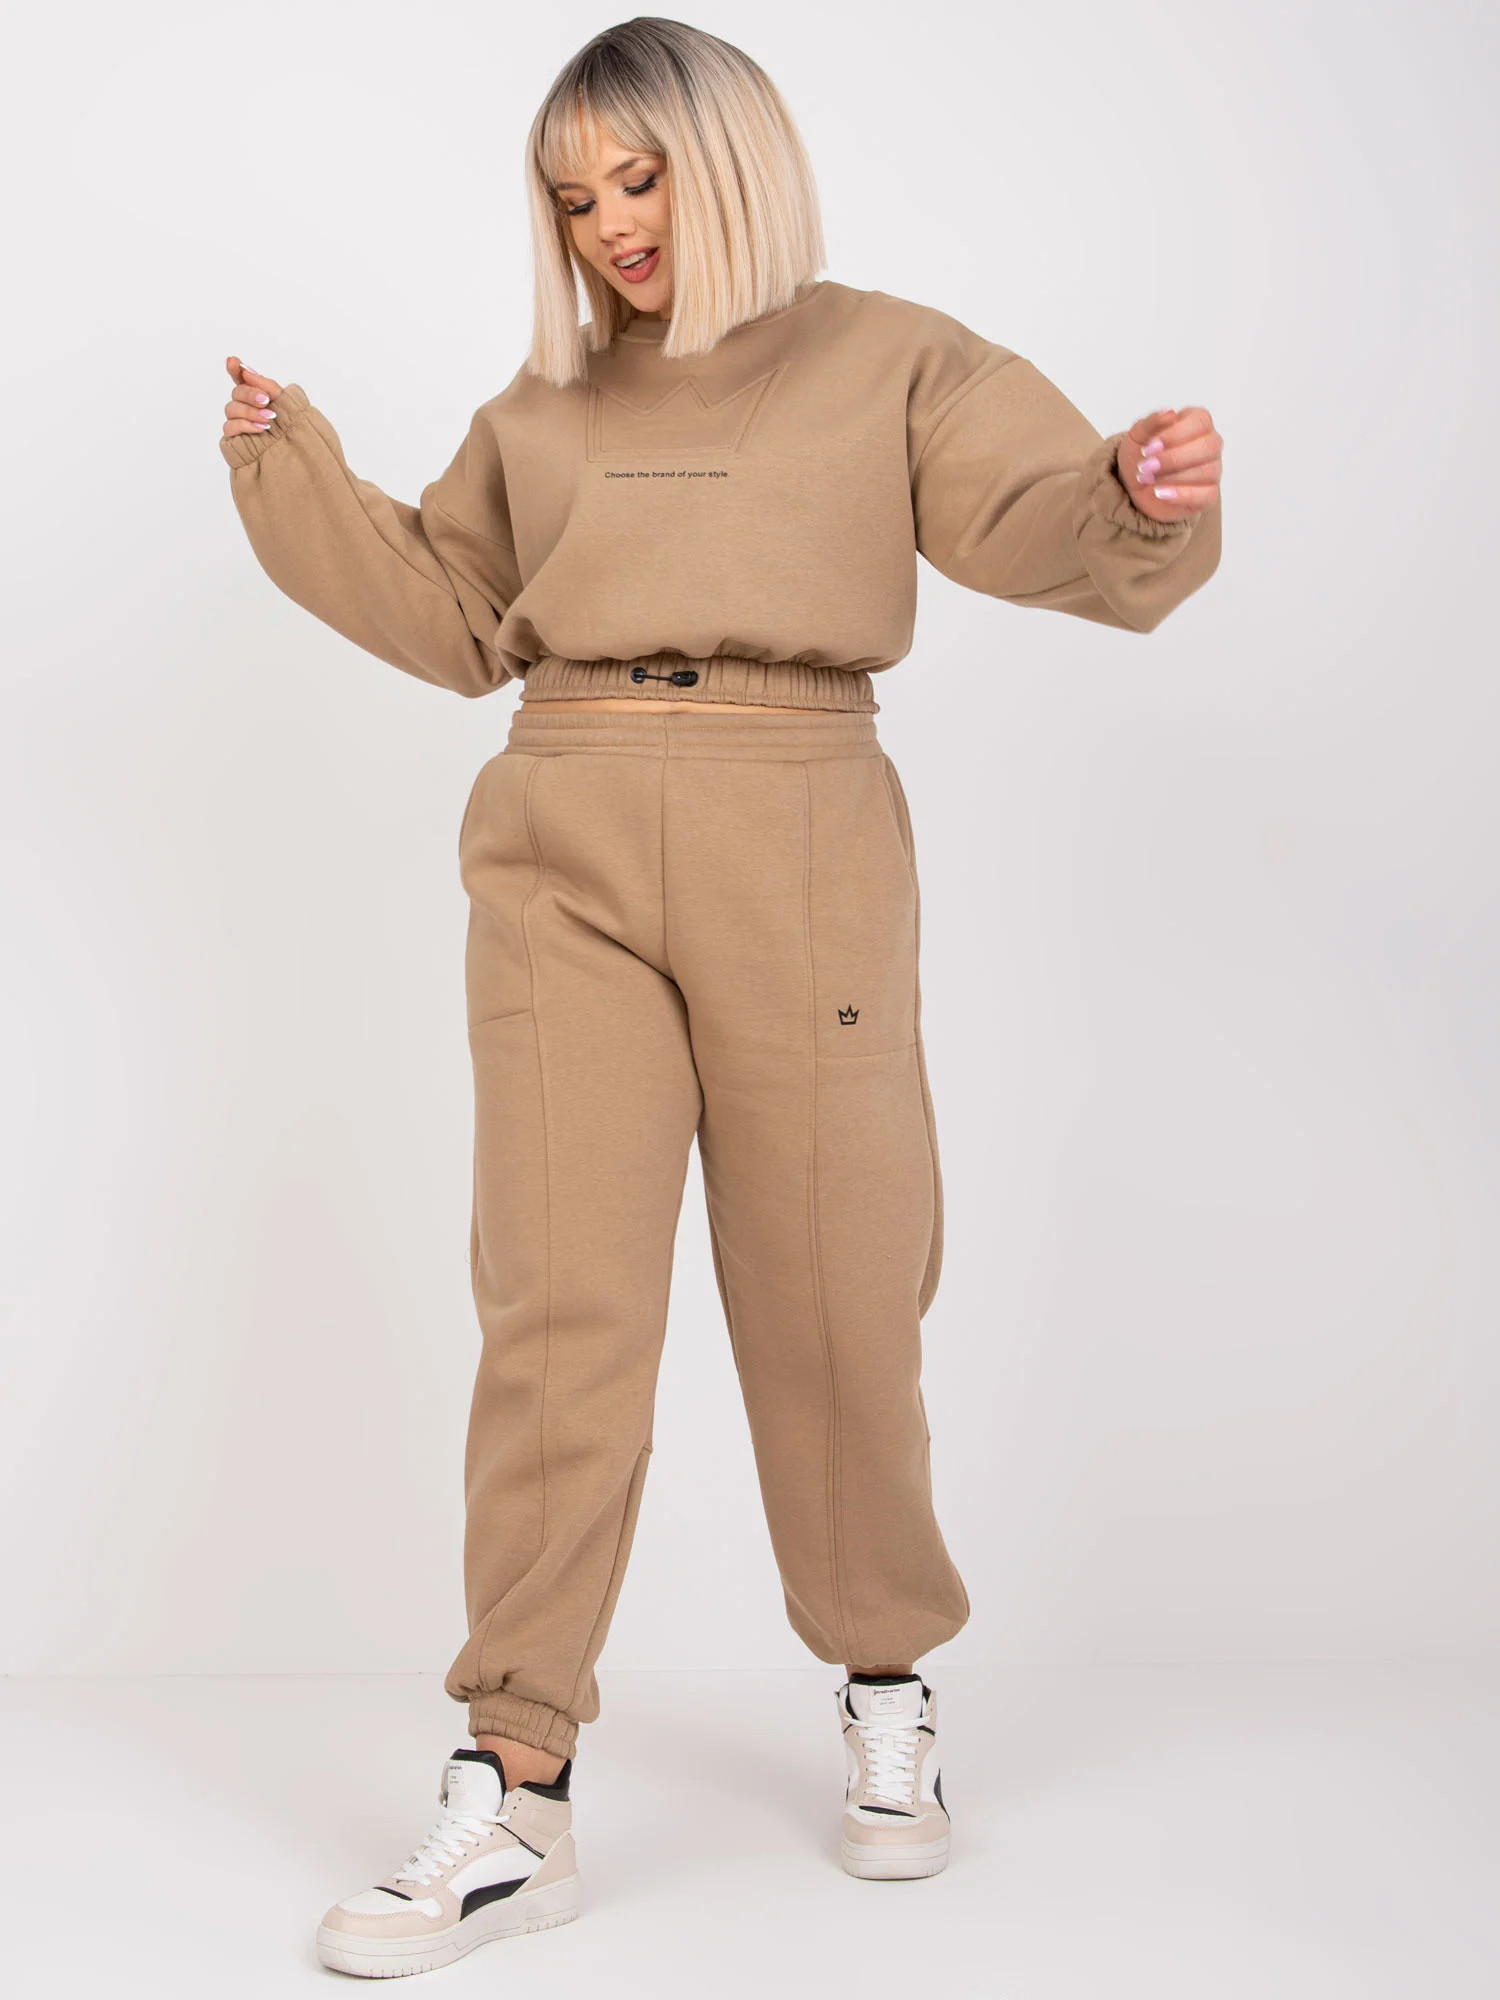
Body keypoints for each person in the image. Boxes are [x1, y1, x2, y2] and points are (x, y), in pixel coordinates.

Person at [218, 15, 1223, 1979]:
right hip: (566, 828)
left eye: (640, 175)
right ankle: (514, 1785)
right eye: (573, 197)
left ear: (731, 157)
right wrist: (291, 471)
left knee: (838, 1282)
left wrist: (1139, 494)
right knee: (559, 1307)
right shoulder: (545, 407)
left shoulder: (891, 359)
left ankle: (886, 1684)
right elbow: (453, 610)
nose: (607, 223)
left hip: (802, 826)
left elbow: (1044, 517)